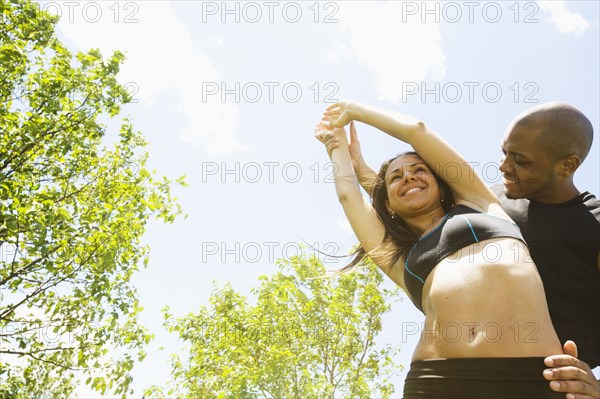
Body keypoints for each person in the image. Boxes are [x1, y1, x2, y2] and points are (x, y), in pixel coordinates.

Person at [343, 102, 600, 399]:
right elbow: (411, 200)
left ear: (567, 165)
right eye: (504, 153)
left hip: (544, 378)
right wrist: (359, 168)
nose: (504, 167)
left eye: (520, 160)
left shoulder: (593, 225)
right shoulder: (490, 202)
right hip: (453, 372)